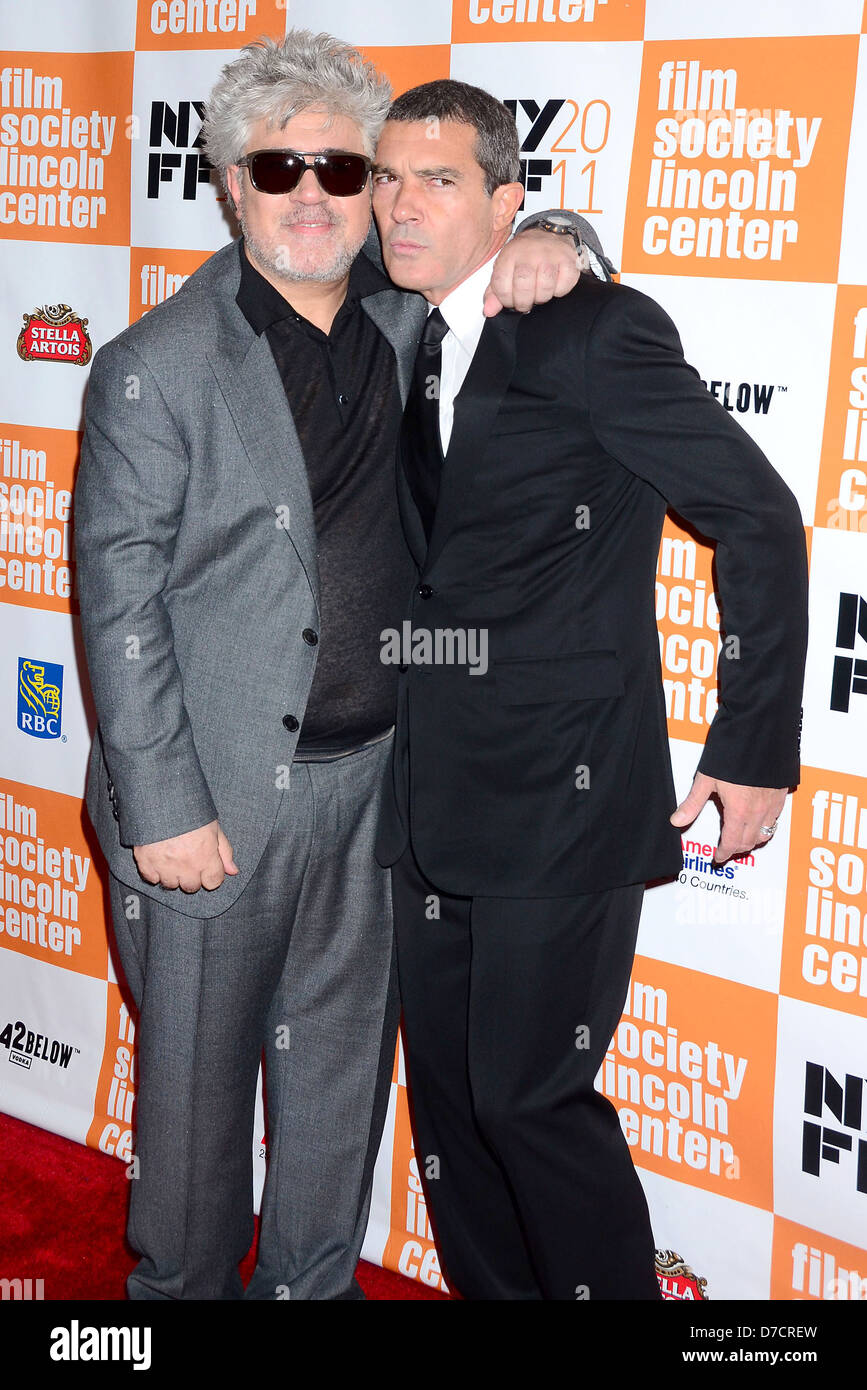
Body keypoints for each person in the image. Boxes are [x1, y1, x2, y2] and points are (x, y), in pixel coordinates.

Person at [73, 32, 580, 1301]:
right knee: (193, 1108)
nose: (314, 192)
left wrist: (560, 235)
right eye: (278, 165)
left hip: (375, 792)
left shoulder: (409, 320)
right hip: (213, 799)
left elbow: (511, 242)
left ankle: (310, 1291)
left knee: (340, 1083)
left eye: (343, 168)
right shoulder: (156, 366)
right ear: (231, 182)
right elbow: (117, 599)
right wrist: (166, 802)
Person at [371, 79, 809, 1300]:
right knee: (452, 1114)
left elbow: (759, 518)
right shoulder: (390, 318)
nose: (401, 206)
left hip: (564, 800)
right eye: (389, 177)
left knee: (530, 1099)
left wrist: (756, 744)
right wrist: (565, 233)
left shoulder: (592, 332)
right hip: (427, 804)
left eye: (440, 180)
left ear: (509, 201)